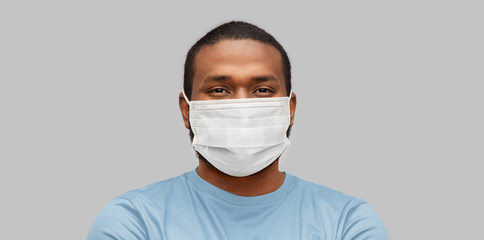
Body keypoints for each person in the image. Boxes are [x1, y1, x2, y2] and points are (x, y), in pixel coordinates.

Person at [87, 21, 389, 240]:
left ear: (290, 108)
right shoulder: (133, 222)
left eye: (261, 90)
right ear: (186, 109)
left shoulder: (346, 223)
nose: (242, 106)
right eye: (219, 89)